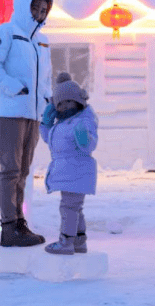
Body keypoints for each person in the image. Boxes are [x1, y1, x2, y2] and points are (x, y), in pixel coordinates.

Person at [0, 0, 53, 247]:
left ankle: (19, 223)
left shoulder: (42, 41)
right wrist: (14, 87)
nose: (38, 13)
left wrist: (47, 100)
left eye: (43, 9)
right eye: (34, 7)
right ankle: (8, 228)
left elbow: (44, 78)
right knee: (10, 170)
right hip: (10, 111)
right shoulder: (7, 32)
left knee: (23, 171)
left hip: (33, 114)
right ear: (23, 6)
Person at [40, 72, 98, 255]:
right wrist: (46, 123)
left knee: (68, 208)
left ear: (78, 102)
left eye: (68, 102)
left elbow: (89, 146)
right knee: (75, 208)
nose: (65, 107)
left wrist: (83, 138)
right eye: (60, 104)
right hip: (70, 173)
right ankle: (79, 241)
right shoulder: (63, 123)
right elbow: (50, 141)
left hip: (76, 172)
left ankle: (66, 241)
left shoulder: (83, 121)